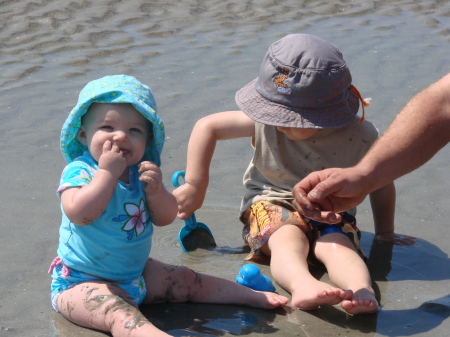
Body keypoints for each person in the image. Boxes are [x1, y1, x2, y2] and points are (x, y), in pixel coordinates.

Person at [174, 34, 415, 315]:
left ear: (324, 115)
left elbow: (381, 183)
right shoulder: (265, 122)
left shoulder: (361, 135)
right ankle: (303, 285)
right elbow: (208, 127)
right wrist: (195, 184)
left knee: (337, 245)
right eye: (272, 112)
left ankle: (361, 291)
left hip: (330, 210)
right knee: (287, 239)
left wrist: (386, 233)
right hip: (272, 201)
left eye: (286, 118)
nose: (276, 122)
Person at [48, 75, 289, 337]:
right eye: (107, 127)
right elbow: (80, 214)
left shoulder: (140, 173)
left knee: (186, 279)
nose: (120, 136)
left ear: (148, 141)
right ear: (83, 135)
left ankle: (248, 295)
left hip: (137, 275)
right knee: (119, 315)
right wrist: (106, 174)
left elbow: (164, 217)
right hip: (82, 283)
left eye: (134, 130)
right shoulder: (80, 172)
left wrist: (157, 191)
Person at [292, 72, 450, 223]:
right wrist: (365, 175)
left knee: (335, 240)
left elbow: (382, 186)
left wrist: (385, 233)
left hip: (334, 219)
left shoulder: (361, 135)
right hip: (278, 210)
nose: (280, 126)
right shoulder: (268, 130)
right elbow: (444, 101)